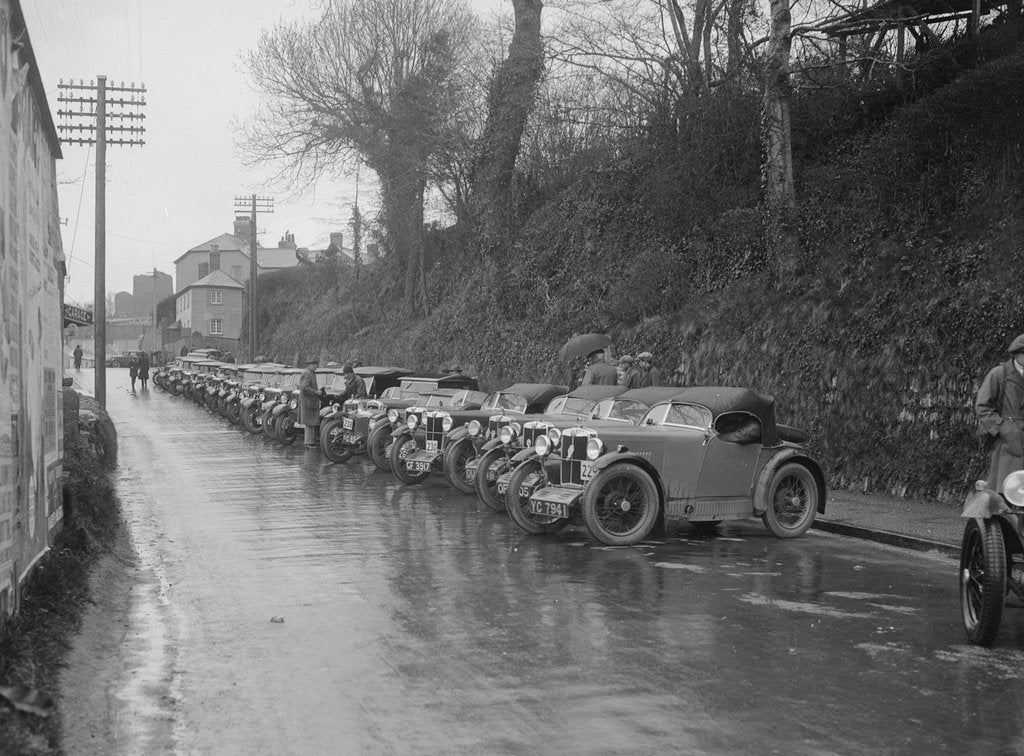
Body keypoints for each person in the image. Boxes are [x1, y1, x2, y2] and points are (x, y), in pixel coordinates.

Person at [976, 334, 1024, 489]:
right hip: (1007, 441)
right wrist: (1001, 427)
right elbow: (982, 406)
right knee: (1006, 487)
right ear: (1016, 354)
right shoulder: (999, 374)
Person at [299, 355, 324, 449]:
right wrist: (316, 392)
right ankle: (309, 443)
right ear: (309, 365)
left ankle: (310, 442)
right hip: (308, 402)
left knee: (311, 423)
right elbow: (305, 388)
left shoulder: (310, 373)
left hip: (311, 402)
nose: (315, 366)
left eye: (315, 364)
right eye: (313, 364)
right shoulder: (307, 374)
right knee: (309, 423)